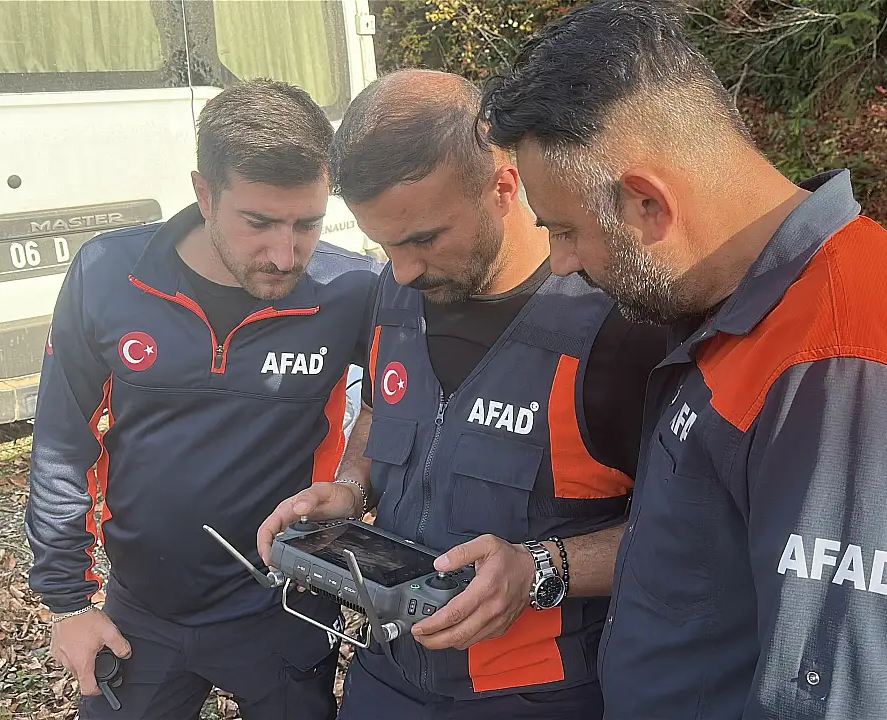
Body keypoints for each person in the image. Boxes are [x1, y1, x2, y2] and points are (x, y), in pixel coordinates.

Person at [477, 2, 887, 718]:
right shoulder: (750, 311)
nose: (561, 262)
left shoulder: (840, 371)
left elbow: (840, 702)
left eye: (566, 231)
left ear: (648, 204)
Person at [256, 69, 667, 719]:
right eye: (383, 245)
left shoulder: (618, 324)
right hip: (386, 670)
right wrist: (352, 489)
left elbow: (689, 533)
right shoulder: (396, 293)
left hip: (540, 694)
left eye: (423, 239)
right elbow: (379, 409)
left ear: (503, 185)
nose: (403, 270)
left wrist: (541, 568)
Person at [24, 78, 379, 720]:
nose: (284, 254)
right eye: (259, 223)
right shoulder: (110, 276)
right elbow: (61, 440)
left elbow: (395, 401)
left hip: (285, 605)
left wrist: (353, 483)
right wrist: (68, 604)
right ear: (205, 193)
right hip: (142, 613)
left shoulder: (351, 289)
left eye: (307, 223)